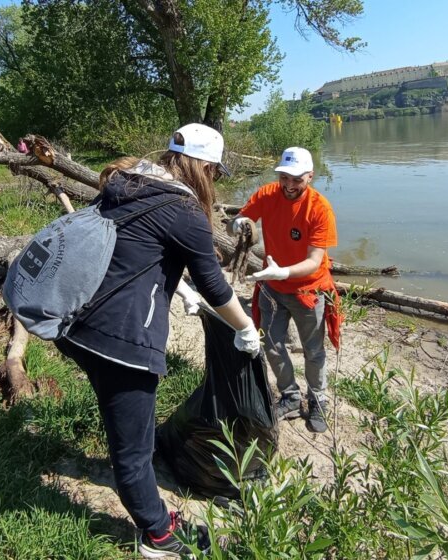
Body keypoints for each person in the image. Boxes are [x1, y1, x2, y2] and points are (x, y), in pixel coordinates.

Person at [54, 123, 259, 558]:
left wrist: (175, 285)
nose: (215, 180)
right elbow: (216, 289)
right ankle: (158, 535)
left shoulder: (128, 183)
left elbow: (132, 248)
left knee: (125, 421)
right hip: (117, 340)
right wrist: (245, 328)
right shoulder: (183, 210)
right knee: (132, 450)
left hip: (74, 323)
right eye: (215, 173)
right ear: (203, 166)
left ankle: (146, 494)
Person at [232, 146, 341, 434]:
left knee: (313, 351)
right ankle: (291, 396)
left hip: (309, 291)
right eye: (285, 177)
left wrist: (284, 272)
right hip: (273, 290)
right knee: (272, 344)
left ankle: (318, 399)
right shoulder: (268, 194)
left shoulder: (320, 208)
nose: (289, 185)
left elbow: (315, 261)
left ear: (310, 176)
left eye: (297, 179)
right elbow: (243, 217)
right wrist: (239, 224)